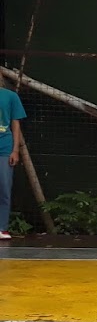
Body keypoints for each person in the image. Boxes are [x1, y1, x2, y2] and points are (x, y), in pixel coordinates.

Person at [0, 78, 25, 241]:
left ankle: (2, 227)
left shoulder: (10, 96)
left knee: (4, 188)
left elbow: (16, 124)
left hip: (4, 149)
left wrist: (15, 150)